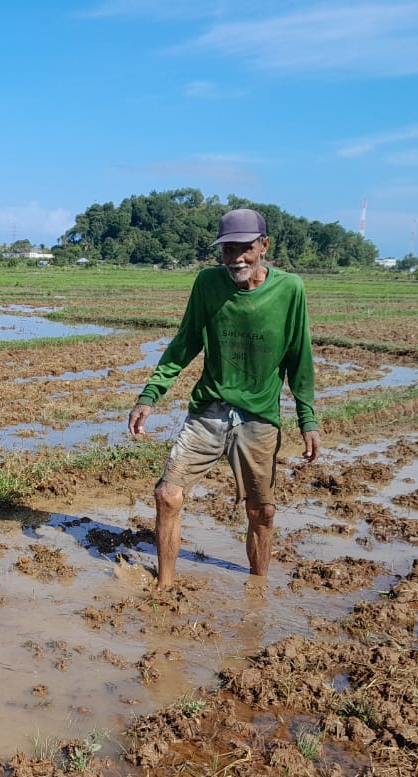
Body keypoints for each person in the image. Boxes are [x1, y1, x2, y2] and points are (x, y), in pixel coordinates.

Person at [127, 207, 320, 587]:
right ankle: (164, 586)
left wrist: (307, 418)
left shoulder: (290, 290)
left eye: (244, 249)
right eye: (227, 250)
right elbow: (184, 343)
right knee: (167, 495)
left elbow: (300, 356)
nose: (236, 259)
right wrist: (150, 395)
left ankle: (257, 591)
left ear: (264, 246)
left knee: (261, 511)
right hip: (208, 412)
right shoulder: (207, 284)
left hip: (259, 418)